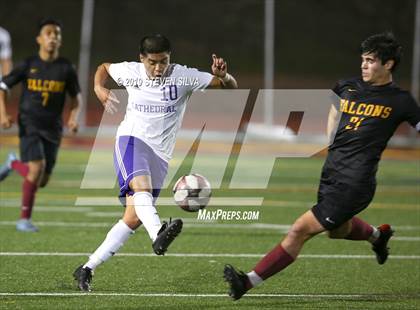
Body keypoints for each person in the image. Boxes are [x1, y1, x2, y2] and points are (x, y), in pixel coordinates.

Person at [224, 32, 420, 300]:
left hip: (355, 182)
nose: (364, 65)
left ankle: (246, 282)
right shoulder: (347, 85)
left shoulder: (401, 100)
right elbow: (334, 106)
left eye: (371, 60)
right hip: (331, 173)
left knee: (299, 230)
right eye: (363, 59)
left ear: (388, 65)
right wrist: (331, 139)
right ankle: (377, 237)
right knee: (337, 231)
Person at [73, 34, 238, 292]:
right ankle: (158, 233)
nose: (159, 68)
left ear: (170, 58)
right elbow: (103, 68)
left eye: (164, 61)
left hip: (160, 155)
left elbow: (230, 88)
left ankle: (86, 268)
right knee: (142, 191)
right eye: (153, 62)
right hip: (131, 140)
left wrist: (224, 76)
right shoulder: (131, 71)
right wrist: (98, 87)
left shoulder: (183, 76)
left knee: (132, 218)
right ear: (142, 59)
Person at [0, 18, 82, 232]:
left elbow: (76, 97)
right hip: (29, 122)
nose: (53, 37)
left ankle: (13, 164)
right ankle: (23, 219)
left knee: (42, 180)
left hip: (53, 127)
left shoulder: (66, 68)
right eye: (48, 33)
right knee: (36, 169)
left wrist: (73, 117)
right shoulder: (28, 64)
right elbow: (2, 87)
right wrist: (3, 114)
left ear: (60, 40)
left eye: (57, 34)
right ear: (39, 39)